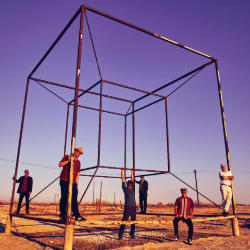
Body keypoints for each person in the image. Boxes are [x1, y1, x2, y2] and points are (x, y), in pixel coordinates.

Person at [59, 147, 86, 221]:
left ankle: (77, 215)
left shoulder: (78, 162)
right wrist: (68, 161)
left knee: (74, 198)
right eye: (77, 151)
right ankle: (62, 215)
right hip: (64, 180)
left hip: (73, 182)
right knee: (64, 197)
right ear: (74, 151)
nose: (78, 153)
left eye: (80, 153)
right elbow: (60, 164)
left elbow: (78, 173)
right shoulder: (67, 157)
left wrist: (76, 182)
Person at [118, 170, 136, 240]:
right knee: (124, 221)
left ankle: (132, 233)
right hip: (127, 208)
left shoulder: (133, 189)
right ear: (127, 185)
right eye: (128, 185)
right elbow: (123, 180)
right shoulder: (125, 189)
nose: (130, 186)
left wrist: (132, 172)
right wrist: (122, 172)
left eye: (131, 185)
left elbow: (132, 179)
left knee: (133, 221)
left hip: (133, 207)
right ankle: (120, 235)